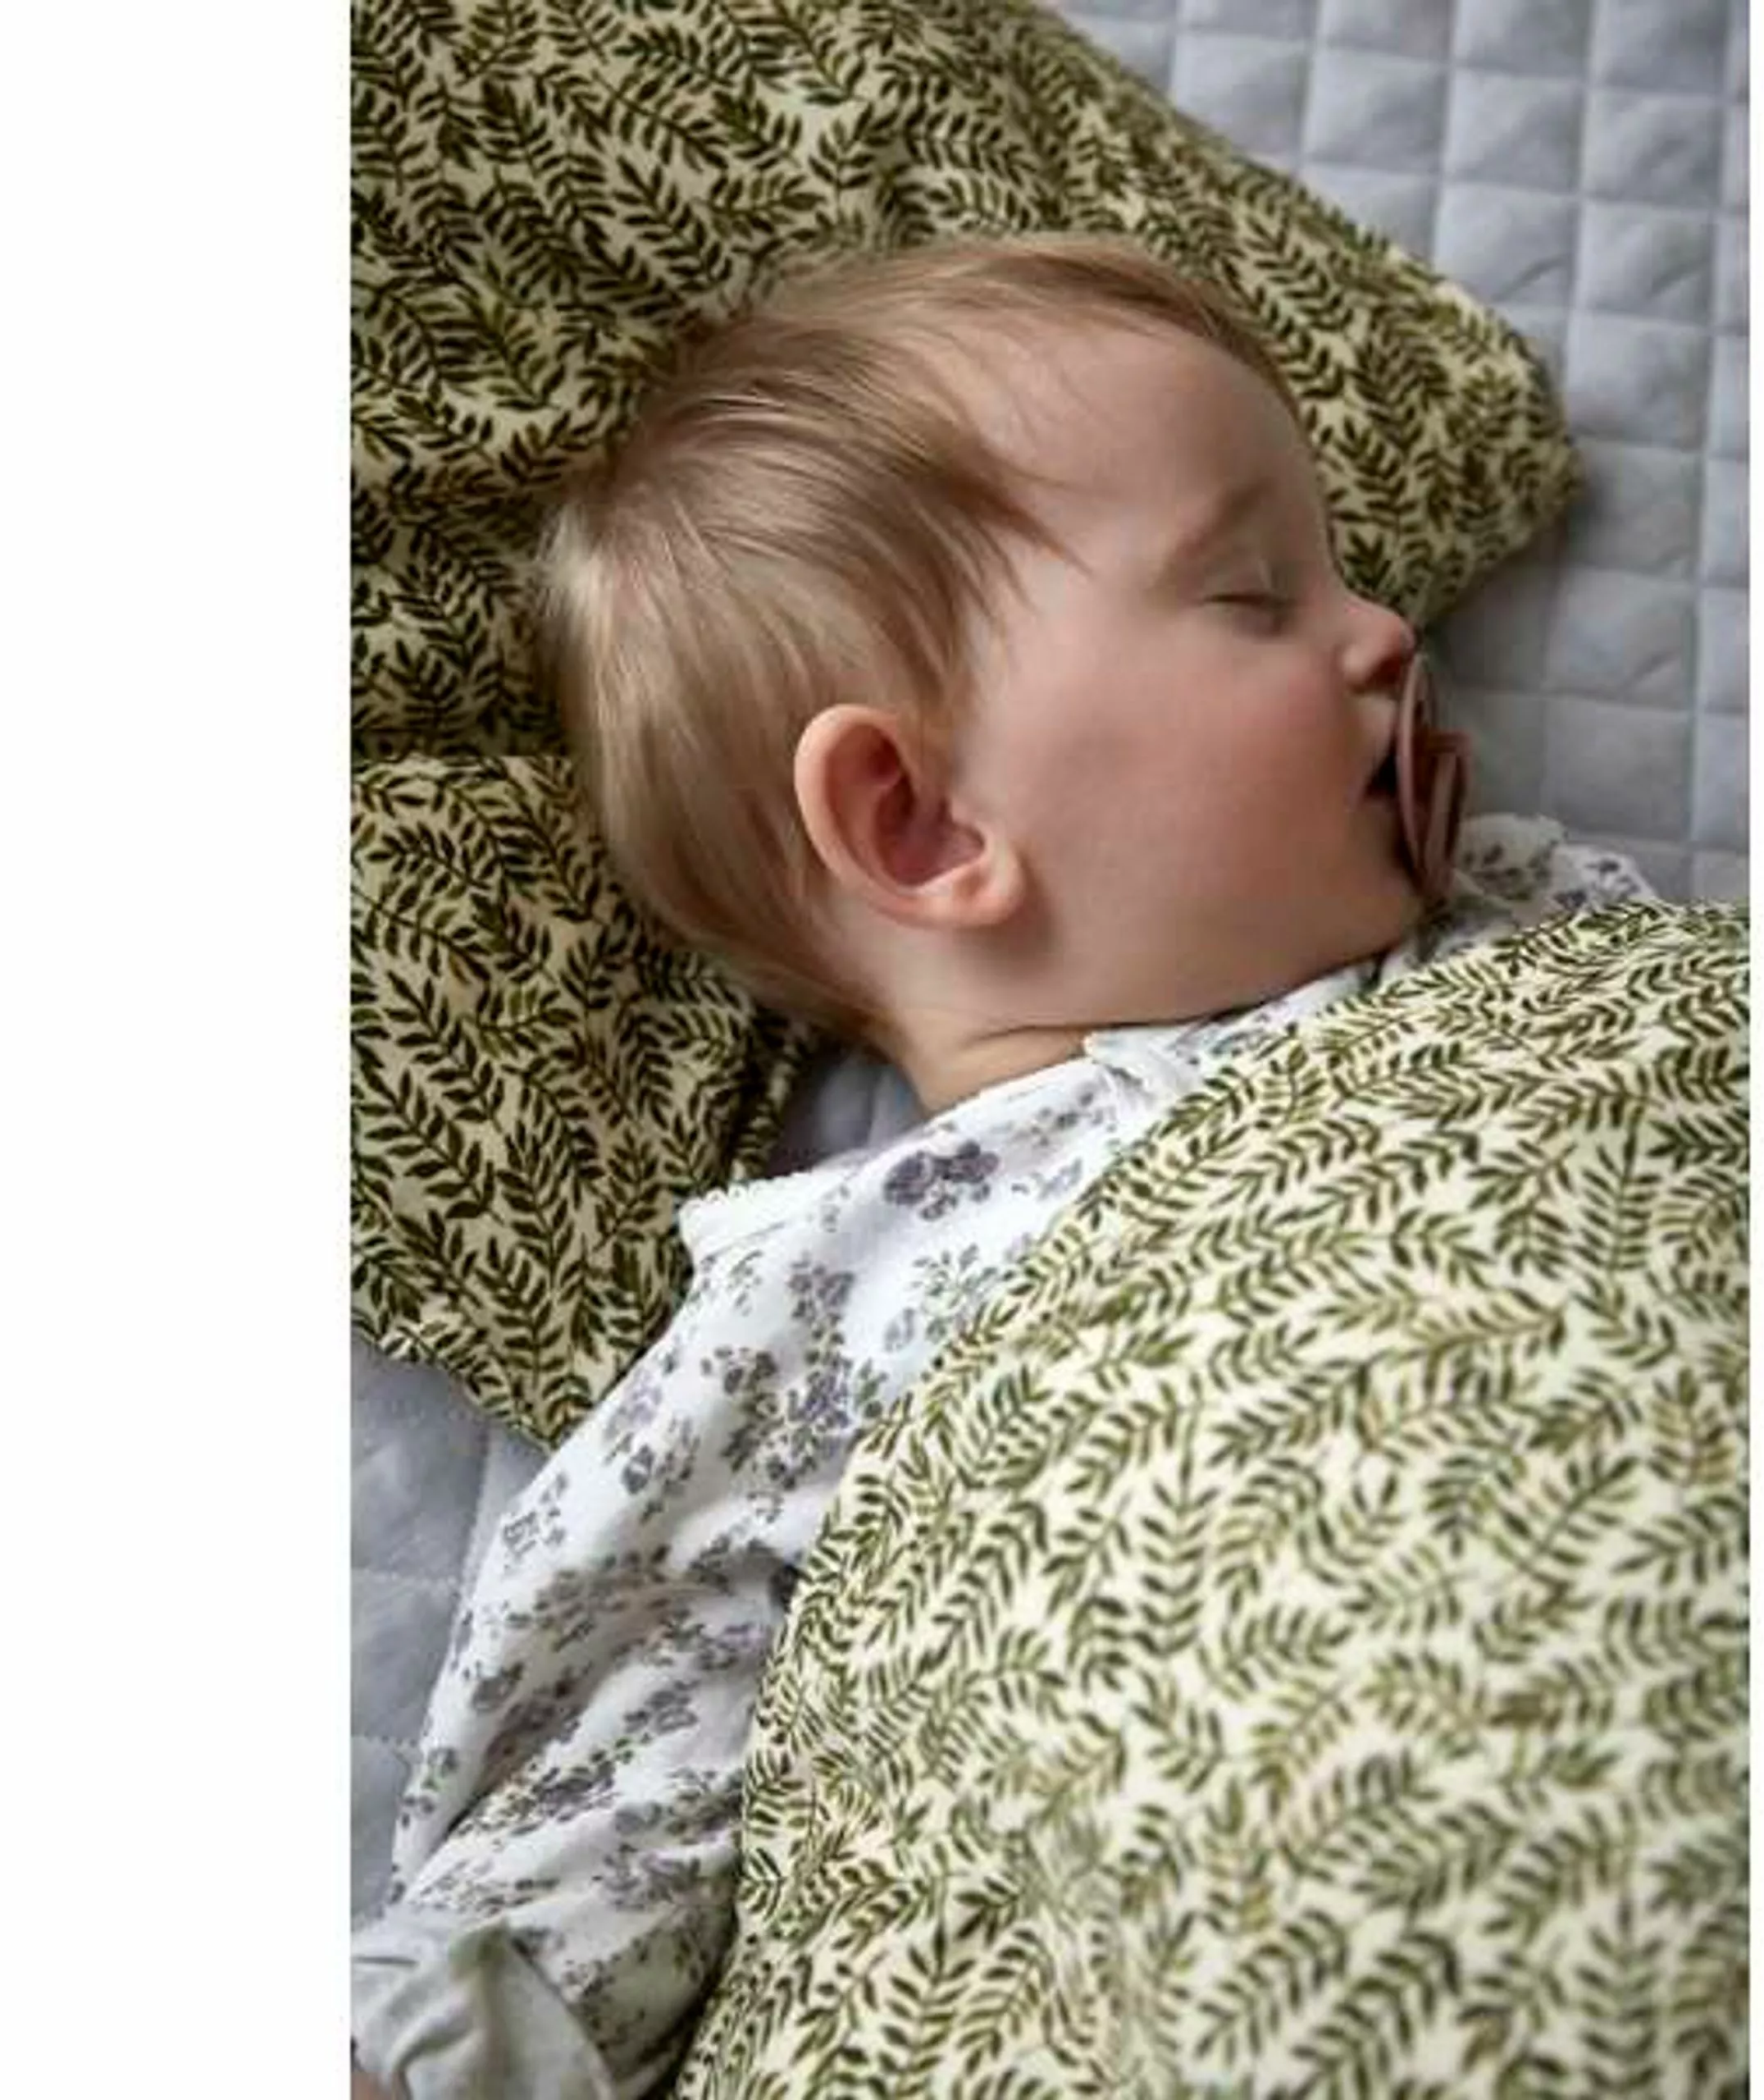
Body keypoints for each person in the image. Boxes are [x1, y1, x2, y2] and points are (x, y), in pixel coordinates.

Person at [349, 234, 1650, 2098]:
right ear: (921, 820)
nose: (1383, 635)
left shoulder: (1524, 953)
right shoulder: (837, 1299)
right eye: (1254, 592)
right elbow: (641, 1772)